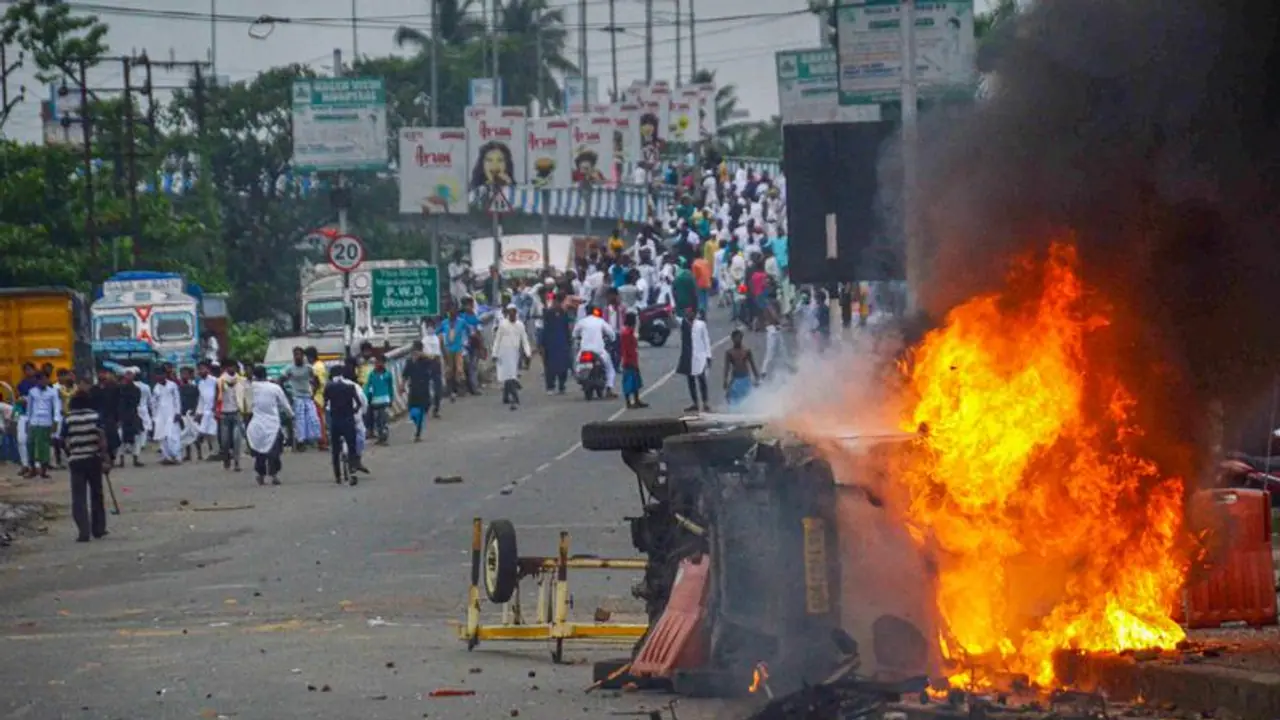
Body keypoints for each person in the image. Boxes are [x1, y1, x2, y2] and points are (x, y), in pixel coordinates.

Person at [63, 391, 108, 542]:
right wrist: (104, 456)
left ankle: (83, 530)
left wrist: (71, 452)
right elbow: (101, 437)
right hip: (93, 459)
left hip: (76, 460)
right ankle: (99, 529)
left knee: (78, 497)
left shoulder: (68, 419)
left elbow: (64, 440)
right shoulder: (95, 417)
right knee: (96, 494)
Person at [246, 366, 292, 486]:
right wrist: (291, 415)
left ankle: (261, 475)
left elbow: (246, 406)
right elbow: (285, 404)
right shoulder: (274, 388)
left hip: (257, 423)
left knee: (260, 451)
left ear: (255, 375)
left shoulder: (250, 388)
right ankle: (274, 475)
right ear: (266, 375)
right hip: (273, 424)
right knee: (274, 451)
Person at [324, 363, 367, 485]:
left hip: (335, 421)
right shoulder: (350, 387)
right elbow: (359, 404)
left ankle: (337, 476)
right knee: (352, 447)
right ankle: (353, 472)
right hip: (348, 420)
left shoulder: (329, 387)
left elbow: (325, 403)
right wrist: (352, 411)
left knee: (335, 450)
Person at [491, 305, 531, 410]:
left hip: (514, 354)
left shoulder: (520, 325)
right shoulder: (503, 325)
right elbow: (497, 340)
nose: (512, 314)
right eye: (510, 312)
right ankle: (515, 397)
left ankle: (506, 397)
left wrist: (528, 353)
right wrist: (494, 353)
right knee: (508, 376)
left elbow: (525, 340)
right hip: (503, 353)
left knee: (511, 376)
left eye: (514, 312)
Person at [281, 347, 321, 450]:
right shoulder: (289, 369)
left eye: (299, 355)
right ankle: (300, 442)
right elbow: (280, 380)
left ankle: (311, 439)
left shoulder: (308, 368)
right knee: (300, 420)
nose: (298, 357)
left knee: (313, 419)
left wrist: (314, 393)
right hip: (296, 396)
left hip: (307, 396)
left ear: (303, 356)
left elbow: (317, 381)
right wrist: (287, 395)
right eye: (295, 355)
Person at [574, 306, 617, 396]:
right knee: (610, 368)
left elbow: (574, 334)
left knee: (577, 364)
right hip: (599, 351)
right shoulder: (600, 321)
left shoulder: (581, 322)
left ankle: (581, 378)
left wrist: (579, 337)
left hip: (584, 351)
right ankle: (609, 388)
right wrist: (611, 339)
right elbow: (611, 334)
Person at [25, 372, 61, 479]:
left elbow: (56, 407)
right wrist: (28, 421)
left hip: (46, 422)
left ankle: (44, 470)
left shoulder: (53, 392)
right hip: (34, 421)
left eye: (46, 379)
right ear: (37, 381)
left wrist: (56, 421)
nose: (44, 382)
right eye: (42, 380)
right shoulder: (32, 392)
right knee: (30, 444)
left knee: (44, 446)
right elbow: (29, 408)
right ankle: (32, 469)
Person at [215, 362, 249, 472]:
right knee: (224, 441)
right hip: (224, 413)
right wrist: (216, 410)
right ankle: (226, 458)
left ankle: (237, 462)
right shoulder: (220, 380)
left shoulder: (241, 380)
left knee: (236, 439)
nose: (231, 368)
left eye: (233, 366)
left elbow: (245, 396)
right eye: (229, 366)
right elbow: (217, 395)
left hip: (236, 412)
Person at [677, 308, 712, 413]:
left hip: (700, 356)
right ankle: (695, 403)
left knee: (702, 380)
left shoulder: (701, 324)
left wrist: (708, 356)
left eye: (690, 313)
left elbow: (706, 340)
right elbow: (673, 320)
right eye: (687, 313)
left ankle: (705, 403)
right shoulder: (683, 323)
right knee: (690, 381)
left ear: (694, 313)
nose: (689, 315)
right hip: (688, 357)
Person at [540, 293, 573, 395]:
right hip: (550, 343)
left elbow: (566, 328)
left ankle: (562, 386)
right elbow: (544, 329)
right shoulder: (548, 313)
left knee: (563, 366)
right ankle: (550, 386)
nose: (558, 304)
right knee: (550, 367)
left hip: (562, 342)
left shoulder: (564, 313)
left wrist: (568, 340)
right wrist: (542, 343)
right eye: (557, 302)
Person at [400, 341, 434, 441]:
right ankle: (417, 427)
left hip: (424, 389)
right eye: (413, 351)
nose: (415, 353)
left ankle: (418, 434)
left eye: (417, 351)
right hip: (413, 389)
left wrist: (423, 356)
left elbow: (433, 360)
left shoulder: (425, 361)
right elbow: (405, 375)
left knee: (421, 411)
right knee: (412, 412)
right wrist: (402, 385)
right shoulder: (409, 362)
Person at [150, 370, 183, 466]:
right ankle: (166, 457)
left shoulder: (172, 385)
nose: (160, 376)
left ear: (165, 375)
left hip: (171, 413)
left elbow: (177, 399)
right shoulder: (156, 388)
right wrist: (154, 417)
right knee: (162, 436)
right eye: (158, 374)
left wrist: (177, 412)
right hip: (160, 415)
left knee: (173, 435)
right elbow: (153, 403)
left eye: (161, 374)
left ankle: (177, 457)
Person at [723, 329, 761, 407]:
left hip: (745, 378)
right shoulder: (729, 352)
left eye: (739, 338)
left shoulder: (746, 351)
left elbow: (752, 365)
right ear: (732, 339)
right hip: (735, 378)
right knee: (730, 397)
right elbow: (727, 367)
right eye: (735, 338)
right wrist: (725, 380)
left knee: (748, 397)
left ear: (742, 338)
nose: (737, 340)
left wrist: (757, 378)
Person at [620, 312, 649, 410]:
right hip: (629, 360)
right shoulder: (627, 333)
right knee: (629, 382)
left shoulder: (627, 331)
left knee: (635, 381)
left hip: (631, 359)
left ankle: (636, 401)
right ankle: (629, 402)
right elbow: (628, 348)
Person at [364, 355, 394, 445]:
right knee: (377, 420)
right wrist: (367, 398)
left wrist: (391, 398)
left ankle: (384, 437)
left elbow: (390, 388)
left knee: (383, 419)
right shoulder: (372, 374)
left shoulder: (388, 374)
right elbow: (368, 387)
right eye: (377, 362)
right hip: (375, 401)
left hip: (385, 400)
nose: (378, 364)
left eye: (380, 362)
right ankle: (381, 437)